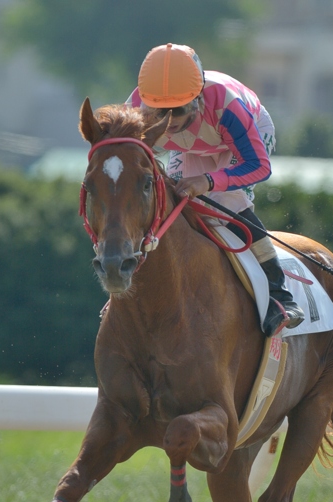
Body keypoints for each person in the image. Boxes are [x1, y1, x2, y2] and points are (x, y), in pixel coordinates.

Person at [126, 43, 302, 336]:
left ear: (197, 99)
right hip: (195, 144)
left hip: (239, 137)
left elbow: (259, 167)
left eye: (177, 110)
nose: (168, 122)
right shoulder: (134, 110)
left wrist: (208, 181)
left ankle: (280, 296)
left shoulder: (226, 104)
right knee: (175, 206)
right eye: (158, 112)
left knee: (224, 202)